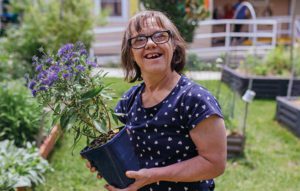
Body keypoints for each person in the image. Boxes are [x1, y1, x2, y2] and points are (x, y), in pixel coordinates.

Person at [86, 10, 227, 191]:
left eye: (160, 36)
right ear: (130, 53)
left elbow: (214, 163)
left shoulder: (195, 99)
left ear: (174, 44)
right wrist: (107, 160)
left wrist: (153, 176)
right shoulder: (129, 100)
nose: (151, 44)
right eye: (139, 40)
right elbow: (128, 150)